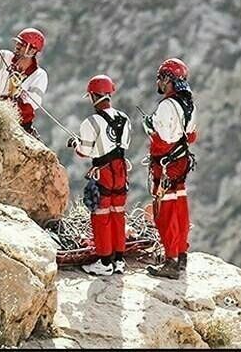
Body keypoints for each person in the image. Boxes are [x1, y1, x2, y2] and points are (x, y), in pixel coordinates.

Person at [68, 75, 131, 276]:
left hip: (103, 171)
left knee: (101, 214)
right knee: (118, 212)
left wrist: (75, 144)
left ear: (93, 96)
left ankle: (104, 262)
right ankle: (119, 260)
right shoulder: (124, 118)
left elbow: (84, 151)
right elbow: (124, 144)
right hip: (121, 169)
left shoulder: (91, 122)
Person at [143, 58, 198, 279]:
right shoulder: (189, 104)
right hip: (181, 162)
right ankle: (181, 255)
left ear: (168, 79)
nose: (158, 82)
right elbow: (191, 136)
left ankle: (171, 261)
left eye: (160, 77)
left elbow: (163, 139)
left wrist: (149, 127)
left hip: (166, 165)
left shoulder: (167, 106)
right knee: (180, 209)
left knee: (165, 213)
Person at [0, 27, 48, 137]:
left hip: (21, 122)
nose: (17, 46)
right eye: (18, 43)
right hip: (0, 109)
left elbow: (34, 103)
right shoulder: (6, 57)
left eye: (22, 44)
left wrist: (18, 92)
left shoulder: (39, 75)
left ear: (32, 50)